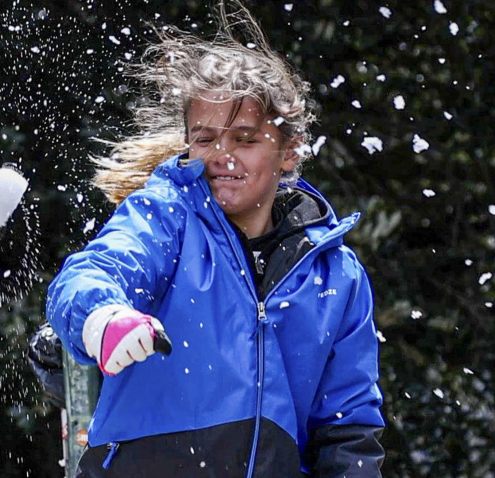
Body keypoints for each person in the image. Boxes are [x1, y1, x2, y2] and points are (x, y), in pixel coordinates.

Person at [44, 2, 385, 477]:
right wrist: (104, 316)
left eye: (245, 139)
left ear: (288, 152)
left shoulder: (337, 276)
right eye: (205, 139)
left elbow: (347, 431)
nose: (221, 156)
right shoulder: (167, 217)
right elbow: (89, 273)